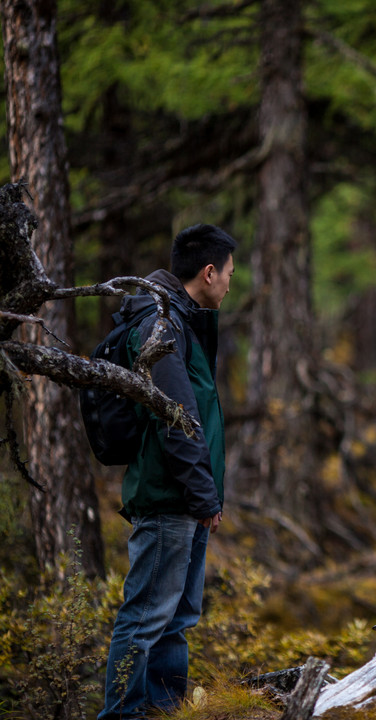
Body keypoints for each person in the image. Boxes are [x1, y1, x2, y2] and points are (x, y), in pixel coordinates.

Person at [100, 224, 236, 719]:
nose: (229, 284)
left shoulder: (182, 321)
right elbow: (176, 420)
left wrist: (205, 499)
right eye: (229, 274)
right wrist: (204, 498)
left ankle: (162, 711)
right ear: (208, 272)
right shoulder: (162, 326)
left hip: (185, 498)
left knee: (176, 619)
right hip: (169, 497)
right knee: (145, 618)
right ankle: (122, 714)